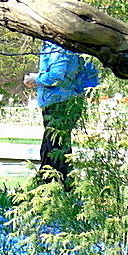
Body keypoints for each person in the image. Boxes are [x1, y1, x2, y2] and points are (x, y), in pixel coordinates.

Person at [23, 41, 99, 188]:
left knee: (56, 147)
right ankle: (43, 185)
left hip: (59, 103)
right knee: (49, 146)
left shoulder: (58, 47)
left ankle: (63, 187)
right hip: (66, 100)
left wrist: (35, 79)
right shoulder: (68, 46)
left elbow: (57, 76)